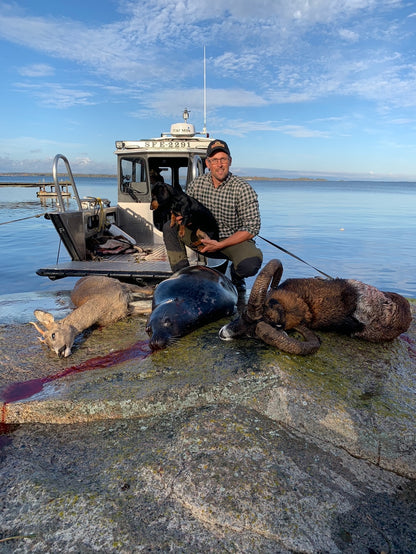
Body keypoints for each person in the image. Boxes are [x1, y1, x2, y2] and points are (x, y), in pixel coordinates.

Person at [162, 139, 263, 292]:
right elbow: (186, 210)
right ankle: (180, 275)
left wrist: (221, 244)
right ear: (207, 164)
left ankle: (236, 276)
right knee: (169, 228)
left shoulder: (242, 188)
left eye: (223, 159)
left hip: (230, 240)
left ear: (229, 161)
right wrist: (180, 217)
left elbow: (252, 227)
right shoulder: (196, 184)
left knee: (250, 264)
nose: (219, 164)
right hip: (201, 236)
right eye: (214, 160)